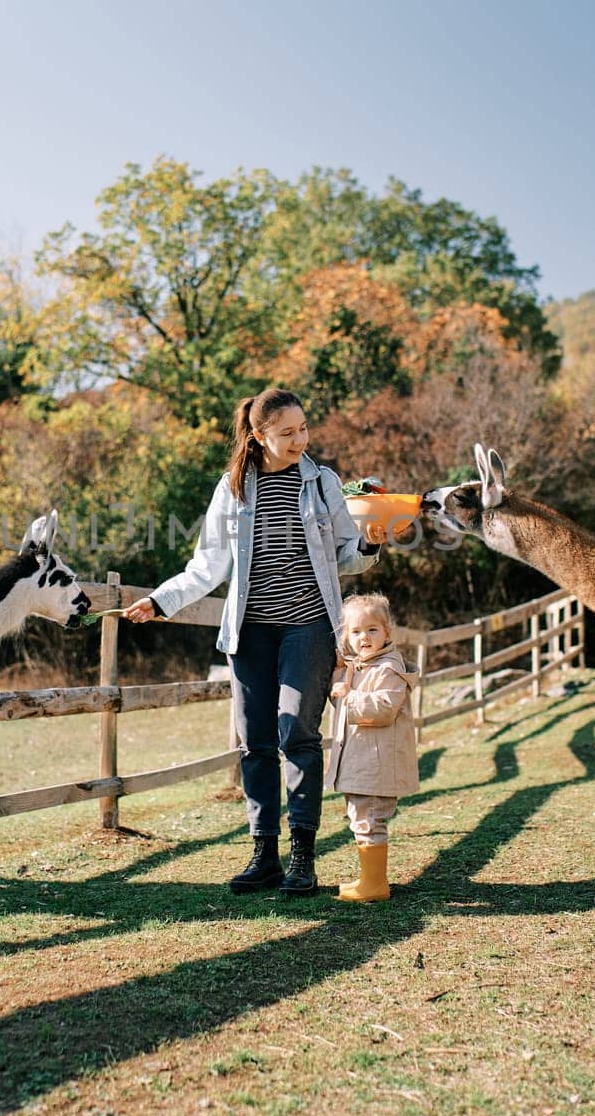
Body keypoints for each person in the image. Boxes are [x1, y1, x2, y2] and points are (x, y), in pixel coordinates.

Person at [124, 386, 382, 895]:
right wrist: (161, 601)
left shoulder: (322, 482)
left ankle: (302, 858)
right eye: (287, 433)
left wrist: (371, 542)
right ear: (259, 435)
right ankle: (264, 852)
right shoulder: (235, 487)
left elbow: (344, 556)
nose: (300, 440)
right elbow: (207, 566)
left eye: (304, 429)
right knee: (256, 742)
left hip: (309, 626)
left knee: (297, 736)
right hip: (251, 632)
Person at [325, 592, 419, 902]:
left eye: (372, 630)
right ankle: (369, 878)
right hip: (364, 761)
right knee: (361, 817)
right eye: (355, 631)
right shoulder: (362, 666)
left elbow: (383, 707)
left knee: (370, 818)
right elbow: (343, 688)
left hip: (377, 764)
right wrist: (341, 675)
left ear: (387, 632)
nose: (364, 637)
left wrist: (347, 696)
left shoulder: (387, 669)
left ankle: (375, 884)